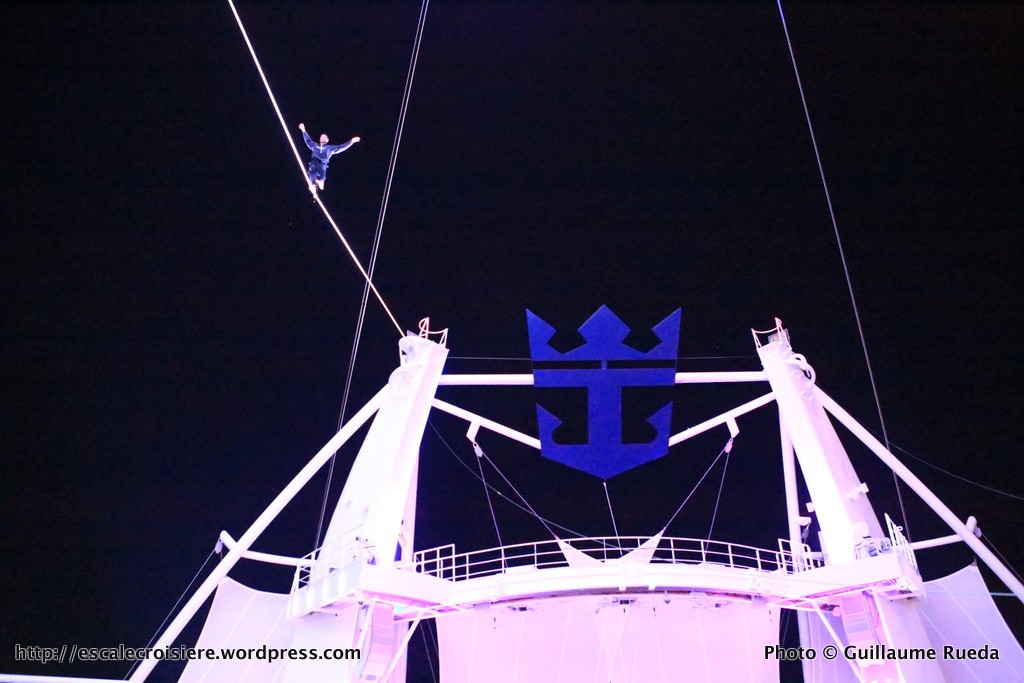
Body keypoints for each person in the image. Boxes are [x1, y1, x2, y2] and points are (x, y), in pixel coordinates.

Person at [298, 123, 360, 196]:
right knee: (312, 175)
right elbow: (308, 140)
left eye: (324, 137)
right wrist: (303, 130)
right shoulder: (314, 145)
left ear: (327, 140)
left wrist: (351, 141)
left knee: (322, 176)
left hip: (322, 164)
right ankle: (313, 188)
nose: (322, 137)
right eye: (321, 137)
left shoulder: (330, 148)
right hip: (313, 164)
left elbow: (341, 147)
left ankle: (321, 183)